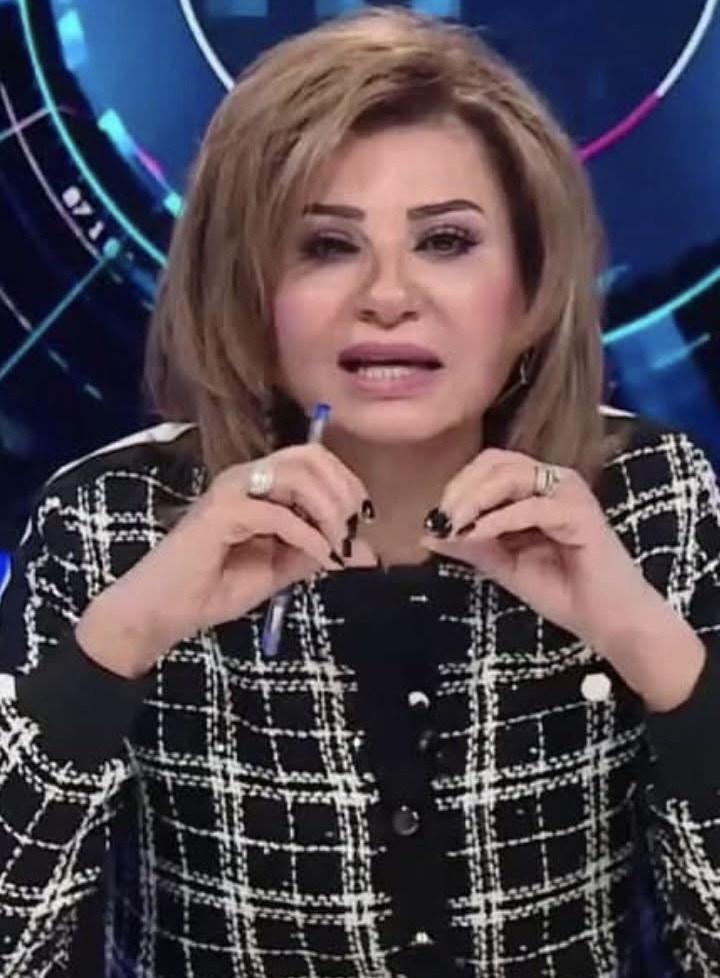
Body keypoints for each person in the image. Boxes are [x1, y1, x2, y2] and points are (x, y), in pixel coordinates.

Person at [0, 6, 718, 977]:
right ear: (247, 290)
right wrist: (123, 639)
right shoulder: (108, 519)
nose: (387, 296)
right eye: (327, 246)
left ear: (530, 289)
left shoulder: (652, 500)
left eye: (446, 241)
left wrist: (652, 647)